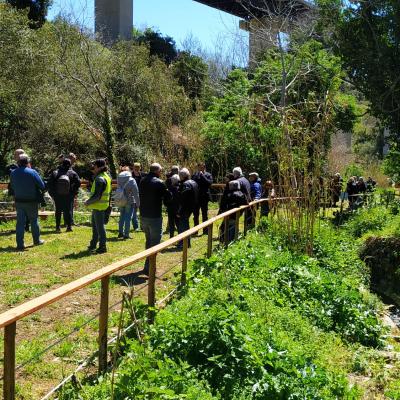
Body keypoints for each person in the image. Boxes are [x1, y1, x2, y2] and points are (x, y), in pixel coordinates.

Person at [139, 163, 172, 274]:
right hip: (154, 216)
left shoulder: (142, 181)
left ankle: (147, 266)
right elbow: (168, 198)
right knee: (156, 243)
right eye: (161, 171)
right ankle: (150, 267)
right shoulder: (160, 183)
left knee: (148, 240)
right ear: (158, 171)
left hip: (143, 215)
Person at [10, 154, 46, 250]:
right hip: (31, 201)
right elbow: (42, 186)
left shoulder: (13, 173)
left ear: (18, 163)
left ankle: (20, 244)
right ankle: (36, 240)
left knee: (20, 223)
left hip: (19, 201)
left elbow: (12, 186)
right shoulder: (32, 172)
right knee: (34, 220)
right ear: (27, 163)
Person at [85, 159, 112, 254]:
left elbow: (97, 196)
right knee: (96, 227)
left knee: (100, 228)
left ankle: (102, 247)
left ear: (100, 167)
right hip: (100, 206)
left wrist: (88, 202)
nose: (93, 168)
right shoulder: (106, 176)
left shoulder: (100, 178)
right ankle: (93, 244)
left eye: (95, 166)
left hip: (98, 206)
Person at [48, 158, 81, 232]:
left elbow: (50, 184)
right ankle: (69, 227)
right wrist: (73, 192)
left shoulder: (55, 172)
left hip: (57, 195)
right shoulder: (72, 173)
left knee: (58, 211)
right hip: (69, 195)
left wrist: (53, 194)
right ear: (70, 164)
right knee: (68, 210)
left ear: (61, 164)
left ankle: (57, 227)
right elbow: (78, 183)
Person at [177, 168, 199, 248]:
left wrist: (179, 211)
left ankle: (184, 243)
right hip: (193, 206)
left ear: (182, 176)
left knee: (183, 226)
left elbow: (183, 200)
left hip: (186, 208)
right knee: (185, 225)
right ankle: (185, 242)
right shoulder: (194, 182)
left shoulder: (185, 184)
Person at [116, 166, 140, 239]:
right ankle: (126, 234)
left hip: (121, 200)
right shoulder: (132, 180)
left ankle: (120, 232)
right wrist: (138, 204)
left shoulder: (119, 179)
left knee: (122, 217)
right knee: (128, 218)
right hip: (129, 201)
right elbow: (136, 193)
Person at [192, 162, 213, 234]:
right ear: (198, 168)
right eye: (199, 167)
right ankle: (195, 230)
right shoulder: (194, 175)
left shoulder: (208, 175)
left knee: (204, 214)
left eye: (202, 167)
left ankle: (205, 230)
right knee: (195, 215)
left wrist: (202, 176)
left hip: (204, 197)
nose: (201, 168)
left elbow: (209, 183)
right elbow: (192, 183)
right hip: (196, 197)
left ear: (204, 167)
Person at [130, 163, 145, 231]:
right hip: (133, 195)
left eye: (138, 167)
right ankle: (136, 227)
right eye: (135, 167)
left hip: (141, 195)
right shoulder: (130, 175)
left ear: (140, 168)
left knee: (142, 211)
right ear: (133, 167)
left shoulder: (142, 174)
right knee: (134, 212)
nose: (136, 169)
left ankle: (142, 226)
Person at [166, 165, 180, 234]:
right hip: (175, 204)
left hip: (170, 205)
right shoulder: (171, 179)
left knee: (171, 220)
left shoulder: (169, 177)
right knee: (176, 221)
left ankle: (171, 234)